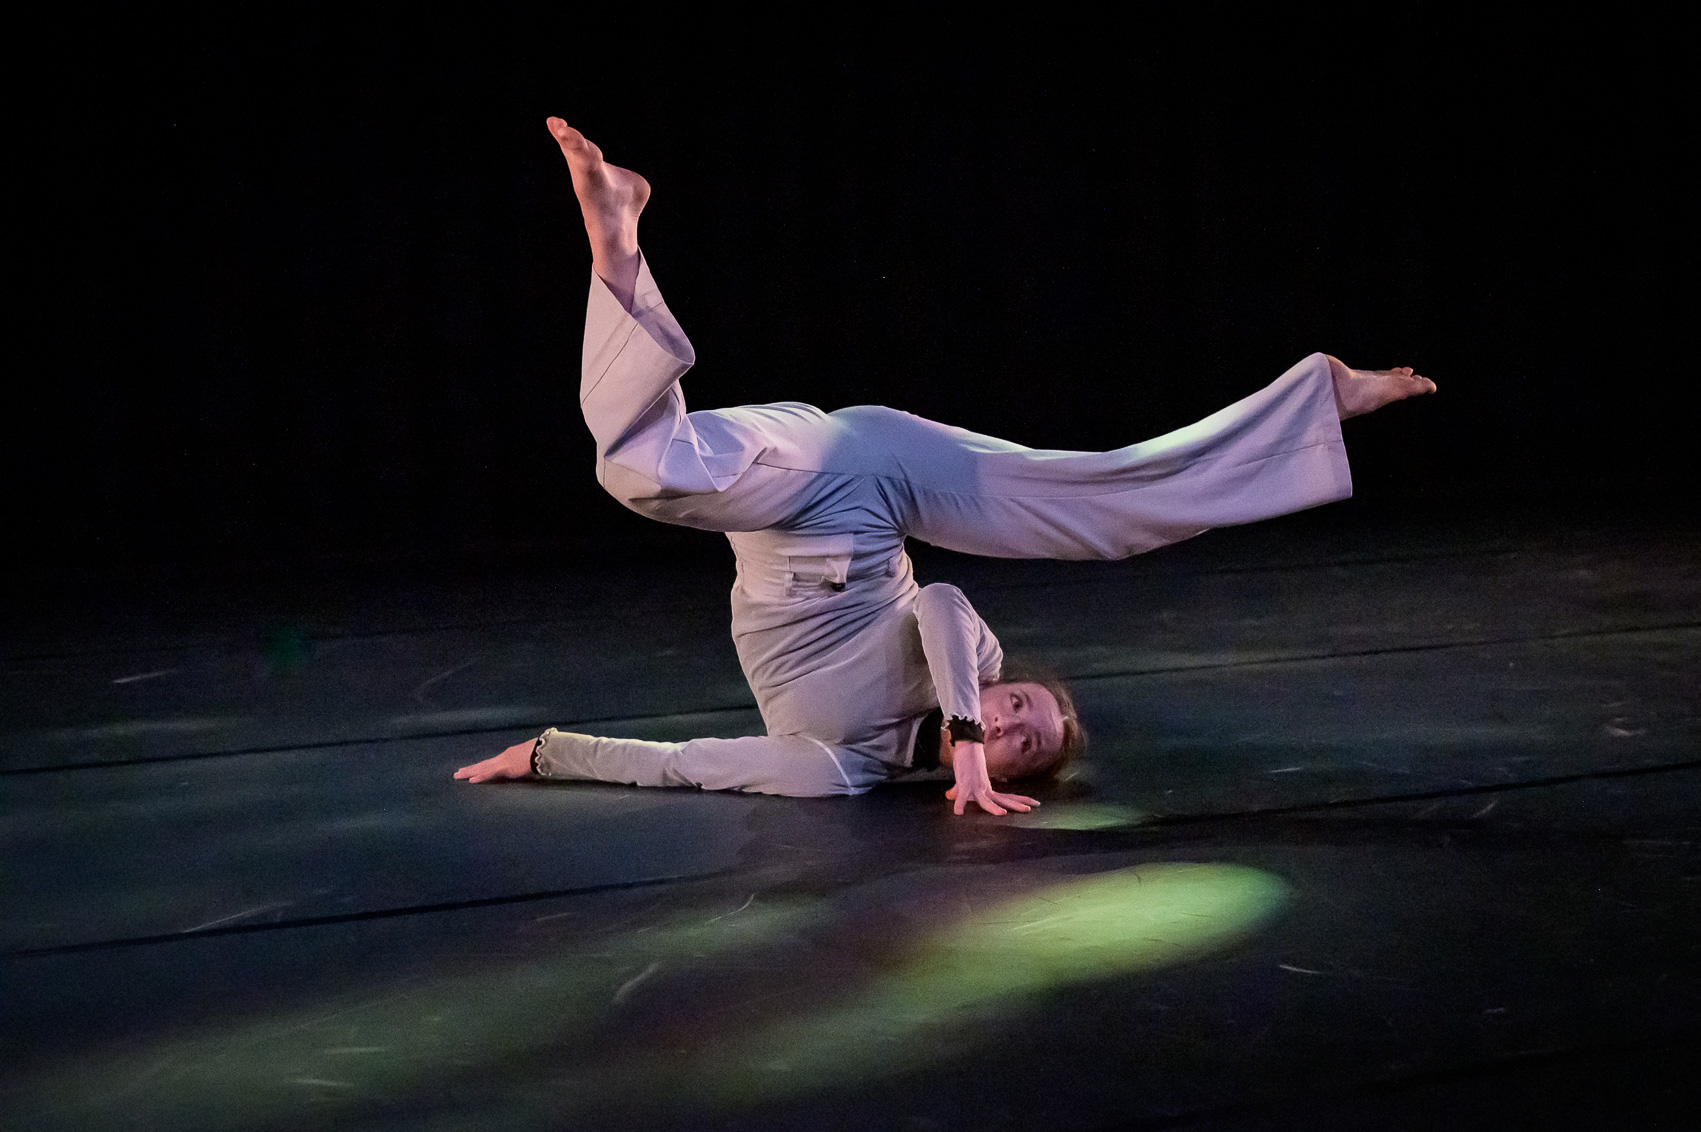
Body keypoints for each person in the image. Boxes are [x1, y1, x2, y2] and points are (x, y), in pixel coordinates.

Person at [454, 118, 1437, 816]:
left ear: (1027, 776)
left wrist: (548, 754)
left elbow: (689, 764)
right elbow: (941, 604)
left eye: (1026, 738)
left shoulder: (841, 767)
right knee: (1097, 500)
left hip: (787, 506)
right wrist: (965, 724)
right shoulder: (971, 670)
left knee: (642, 470)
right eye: (1024, 706)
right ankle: (1327, 395)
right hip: (875, 471)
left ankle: (618, 237)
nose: (1013, 719)